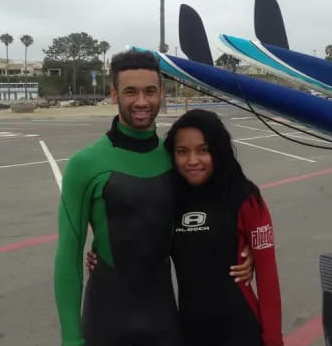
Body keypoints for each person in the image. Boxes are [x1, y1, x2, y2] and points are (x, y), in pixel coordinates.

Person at [54, 50, 252, 346]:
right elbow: (68, 254)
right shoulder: (86, 164)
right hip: (106, 319)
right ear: (114, 95)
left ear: (162, 93)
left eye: (150, 91)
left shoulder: (174, 158)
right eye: (130, 91)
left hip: (164, 319)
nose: (142, 101)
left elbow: (211, 211)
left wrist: (243, 247)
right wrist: (71, 338)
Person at [88, 109, 284, 346]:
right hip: (189, 333)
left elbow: (268, 279)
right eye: (182, 152)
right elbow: (140, 240)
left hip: (241, 332)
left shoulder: (246, 198)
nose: (192, 161)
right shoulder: (172, 200)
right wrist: (100, 253)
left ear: (218, 151)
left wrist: (274, 341)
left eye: (203, 150)